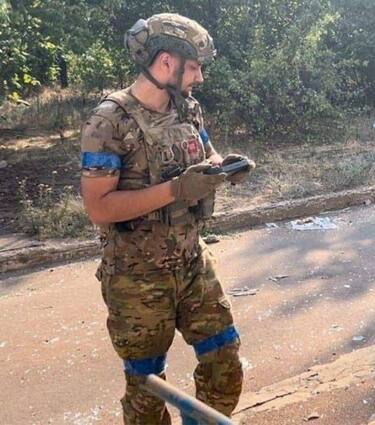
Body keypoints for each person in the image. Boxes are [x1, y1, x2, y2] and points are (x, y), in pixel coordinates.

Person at [79, 13, 252, 424]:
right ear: (166, 62)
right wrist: (176, 190)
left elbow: (205, 156)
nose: (200, 78)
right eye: (194, 67)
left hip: (192, 261)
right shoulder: (110, 121)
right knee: (147, 390)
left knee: (225, 363)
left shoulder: (187, 109)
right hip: (137, 276)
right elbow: (99, 207)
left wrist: (224, 166)